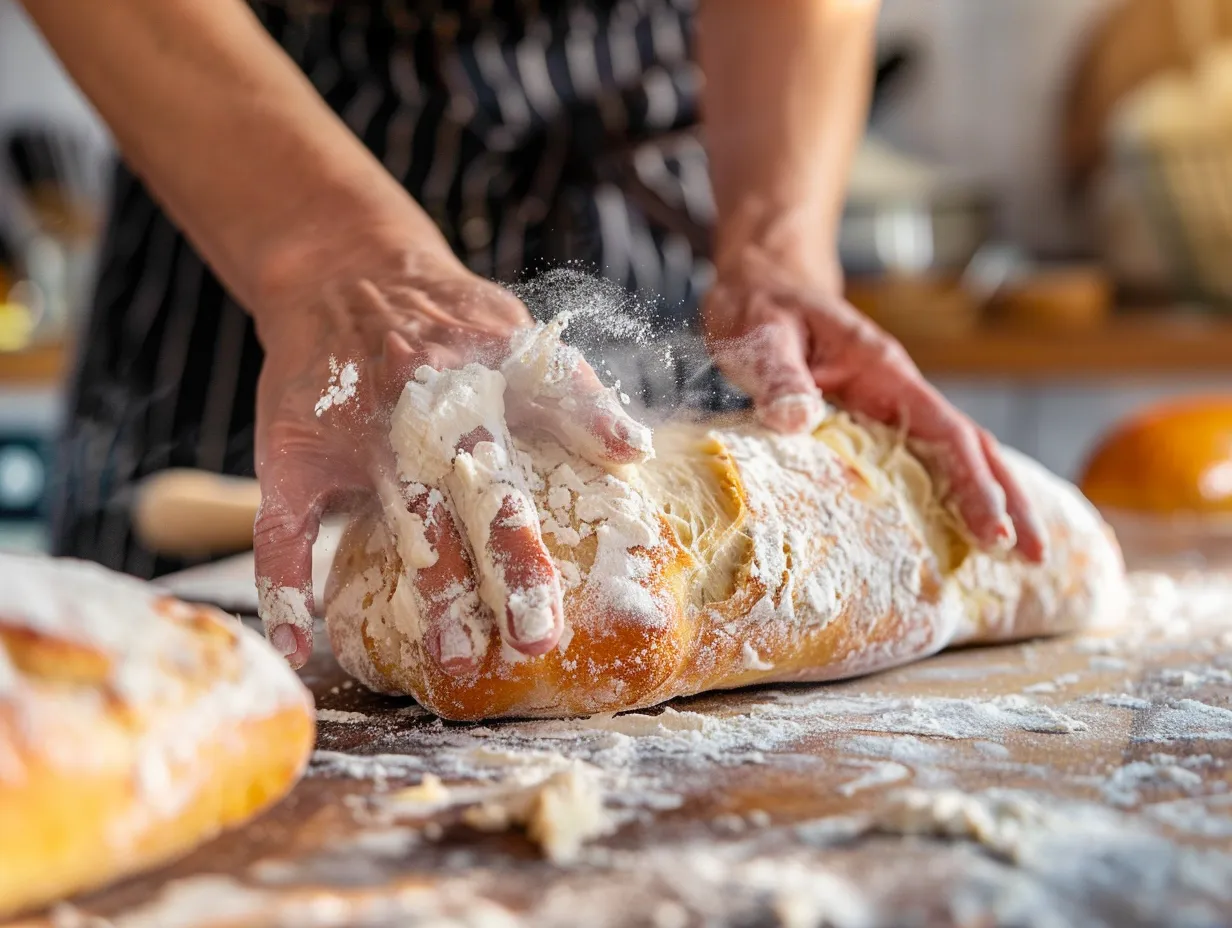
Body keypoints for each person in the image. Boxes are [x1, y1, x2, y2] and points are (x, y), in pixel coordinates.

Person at [21, 0, 1044, 671]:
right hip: (245, 179)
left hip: (644, 190)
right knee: (154, 722)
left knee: (657, 625)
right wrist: (321, 252)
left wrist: (778, 245)